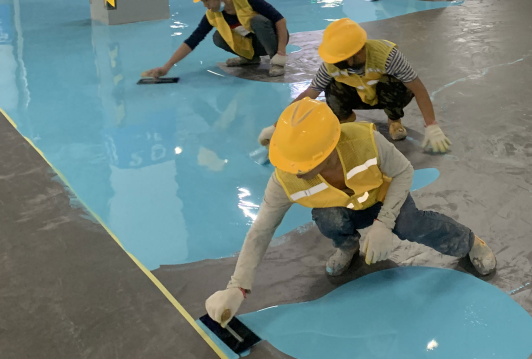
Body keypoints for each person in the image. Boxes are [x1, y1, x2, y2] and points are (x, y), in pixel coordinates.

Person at [205, 99, 497, 327]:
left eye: (303, 165)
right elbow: (261, 231)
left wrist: (384, 223)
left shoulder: (364, 141)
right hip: (343, 207)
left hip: (384, 197)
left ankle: (469, 243)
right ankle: (349, 247)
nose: (296, 171)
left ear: (328, 149)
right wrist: (237, 287)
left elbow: (403, 171)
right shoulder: (284, 180)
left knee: (410, 224)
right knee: (327, 219)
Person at [259, 18, 450, 150]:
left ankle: (394, 120)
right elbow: (308, 94)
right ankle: (346, 122)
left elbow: (418, 89)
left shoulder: (388, 56)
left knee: (394, 83)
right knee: (331, 87)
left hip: (387, 95)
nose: (336, 63)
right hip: (358, 94)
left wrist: (431, 125)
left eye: (342, 59)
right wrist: (277, 127)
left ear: (358, 51)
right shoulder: (332, 64)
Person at [143, 0, 289, 79]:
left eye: (206, 0)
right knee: (218, 37)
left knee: (258, 20)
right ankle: (250, 58)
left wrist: (280, 52)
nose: (205, 5)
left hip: (274, 41)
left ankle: (275, 62)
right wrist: (167, 67)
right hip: (255, 44)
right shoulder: (212, 15)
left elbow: (280, 20)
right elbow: (193, 40)